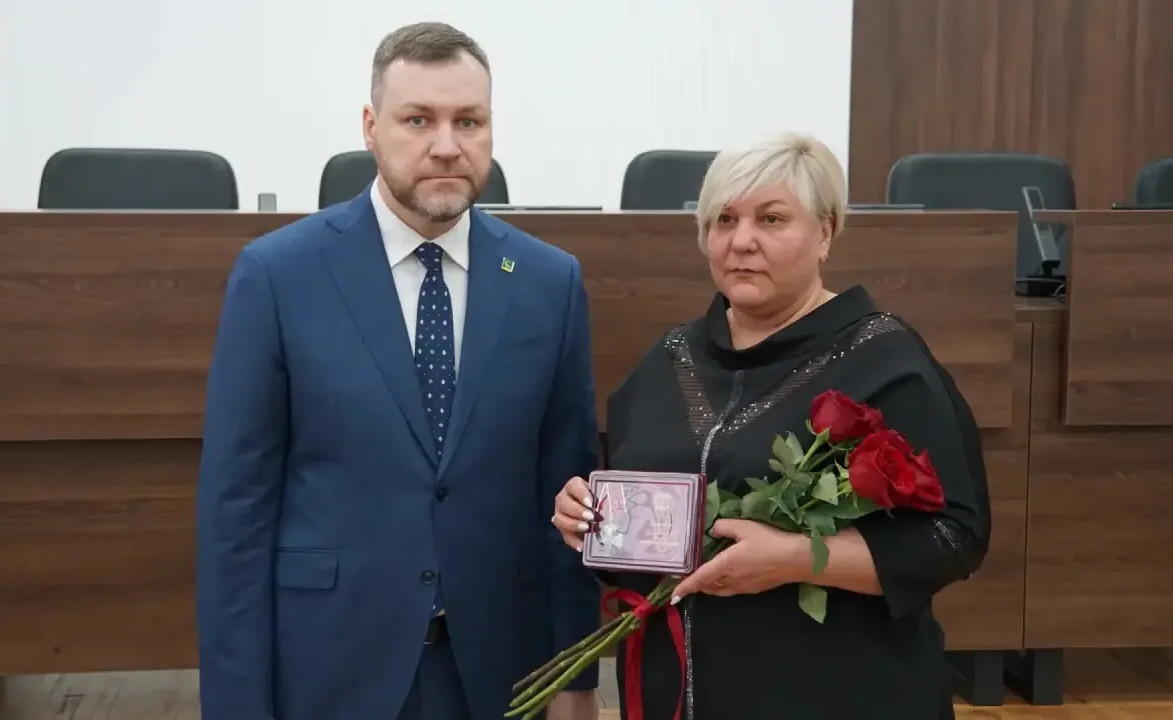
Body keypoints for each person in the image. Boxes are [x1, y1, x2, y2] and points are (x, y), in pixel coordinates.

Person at [196, 22, 600, 720]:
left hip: (500, 674)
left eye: (468, 121)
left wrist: (574, 676)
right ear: (371, 127)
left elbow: (566, 495)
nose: (446, 144)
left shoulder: (548, 281)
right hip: (330, 669)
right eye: (418, 120)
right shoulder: (279, 275)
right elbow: (237, 513)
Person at [552, 132, 991, 720]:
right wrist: (588, 519)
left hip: (842, 696)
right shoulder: (669, 359)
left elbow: (955, 536)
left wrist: (795, 558)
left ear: (825, 232)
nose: (742, 241)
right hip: (678, 694)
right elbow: (636, 532)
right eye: (724, 219)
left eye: (772, 219)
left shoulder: (884, 358)